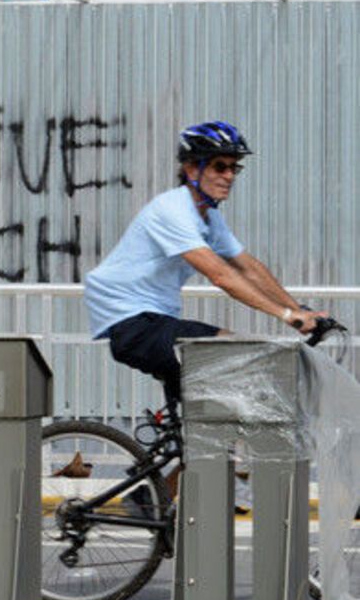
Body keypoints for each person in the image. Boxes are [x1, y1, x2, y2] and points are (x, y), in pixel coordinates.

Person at [85, 120, 327, 410]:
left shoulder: (209, 217)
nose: (229, 176)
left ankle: (184, 435)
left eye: (233, 168)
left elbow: (248, 268)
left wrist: (299, 310)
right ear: (191, 170)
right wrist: (286, 315)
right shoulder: (172, 210)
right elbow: (222, 276)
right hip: (132, 323)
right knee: (234, 350)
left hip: (155, 318)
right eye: (219, 167)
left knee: (213, 394)